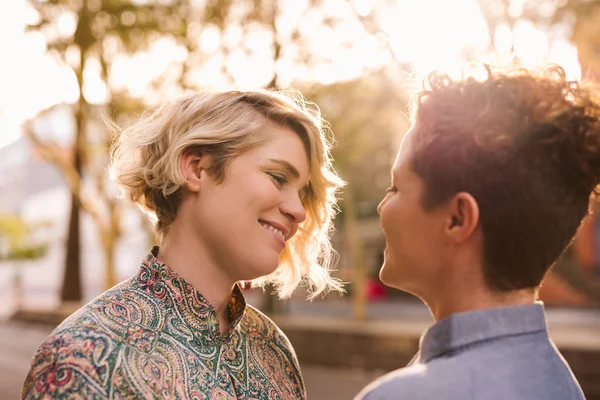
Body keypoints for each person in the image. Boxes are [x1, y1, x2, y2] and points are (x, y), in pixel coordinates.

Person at [21, 90, 344, 399]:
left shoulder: (273, 349)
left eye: (302, 193)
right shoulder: (83, 358)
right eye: (278, 177)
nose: (298, 211)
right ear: (194, 169)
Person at [356, 64, 599, 399]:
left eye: (395, 188)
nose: (383, 207)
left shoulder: (406, 395)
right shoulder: (562, 382)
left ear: (457, 218)